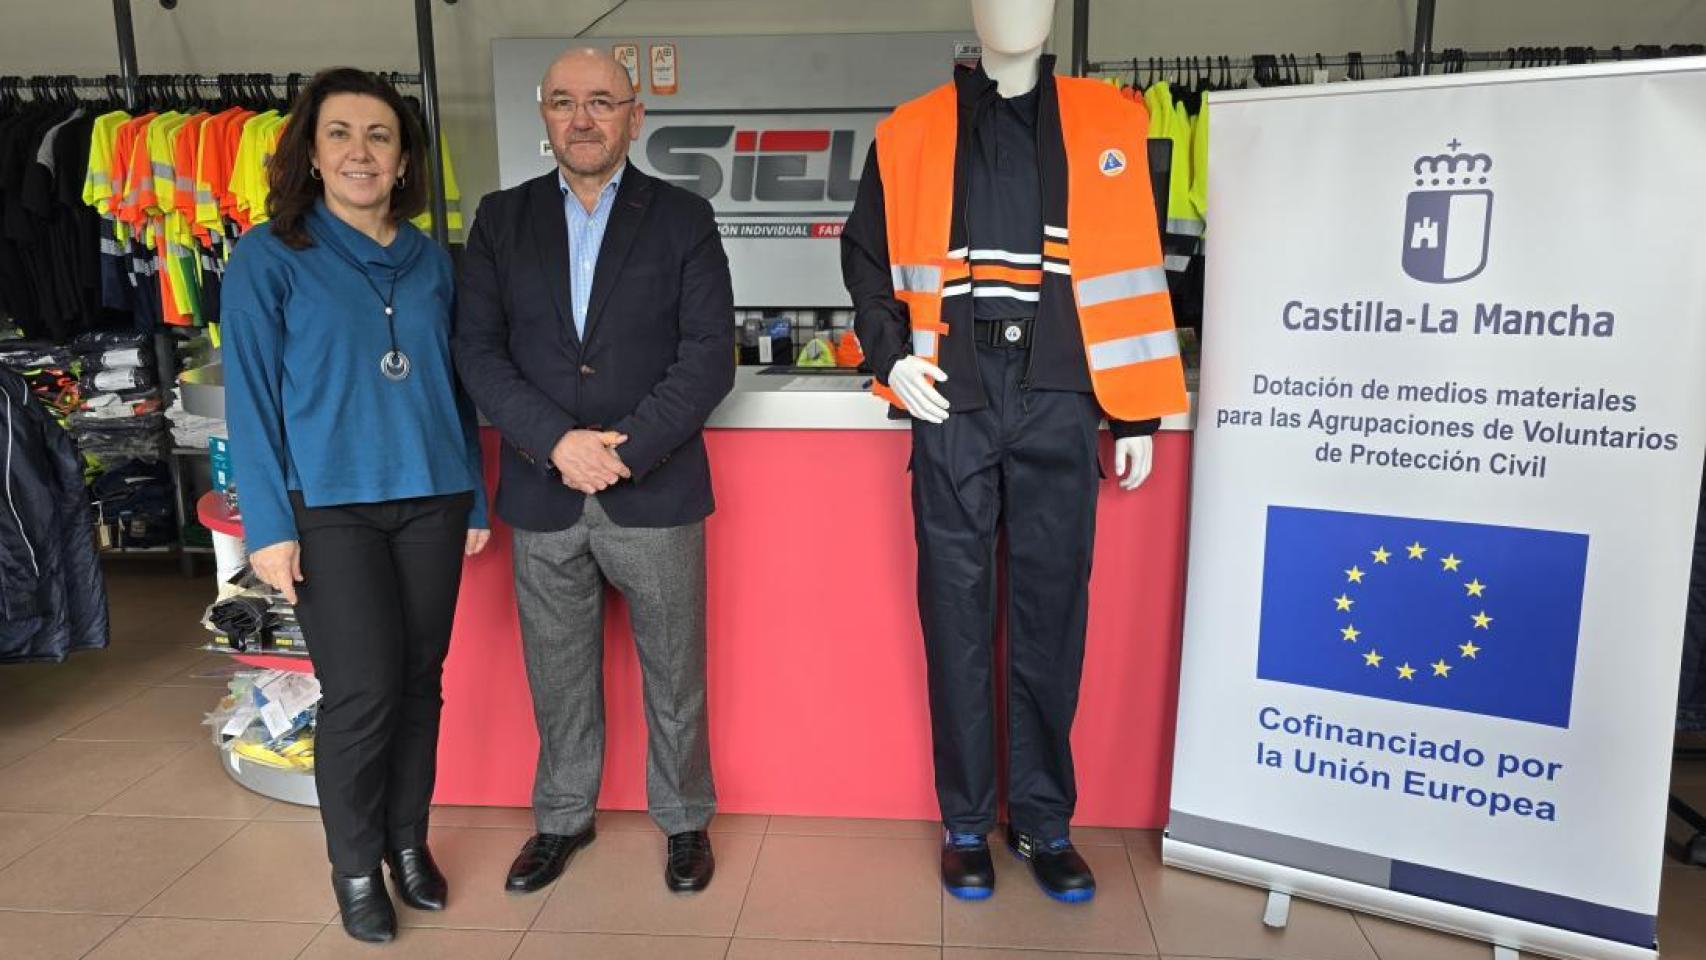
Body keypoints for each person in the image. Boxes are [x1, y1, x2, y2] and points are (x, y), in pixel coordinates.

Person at [841, 0, 1188, 904]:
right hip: (952, 386)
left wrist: (1137, 413)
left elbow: (1136, 263)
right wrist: (890, 356)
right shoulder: (909, 131)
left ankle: (1042, 822)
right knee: (955, 615)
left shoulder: (1114, 122)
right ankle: (965, 823)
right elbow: (866, 257)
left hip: (1063, 389)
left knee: (1050, 616)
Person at [454, 48, 734, 895]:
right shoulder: (501, 219)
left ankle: (684, 820)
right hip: (544, 489)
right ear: (544, 114)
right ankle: (562, 819)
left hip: (656, 488)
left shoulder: (683, 217)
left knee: (676, 675)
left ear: (634, 118)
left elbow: (708, 357)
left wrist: (623, 449)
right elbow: (478, 351)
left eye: (602, 102)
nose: (582, 118)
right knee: (557, 673)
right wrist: (557, 443)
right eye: (565, 102)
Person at [223, 67, 490, 944]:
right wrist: (269, 526)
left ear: (405, 158)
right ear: (311, 152)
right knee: (362, 692)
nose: (360, 152)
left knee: (419, 683)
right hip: (329, 508)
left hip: (434, 499)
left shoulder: (433, 261)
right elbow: (251, 400)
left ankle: (408, 845)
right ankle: (353, 867)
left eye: (380, 135)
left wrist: (475, 495)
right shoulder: (269, 256)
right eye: (339, 133)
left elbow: (454, 389)